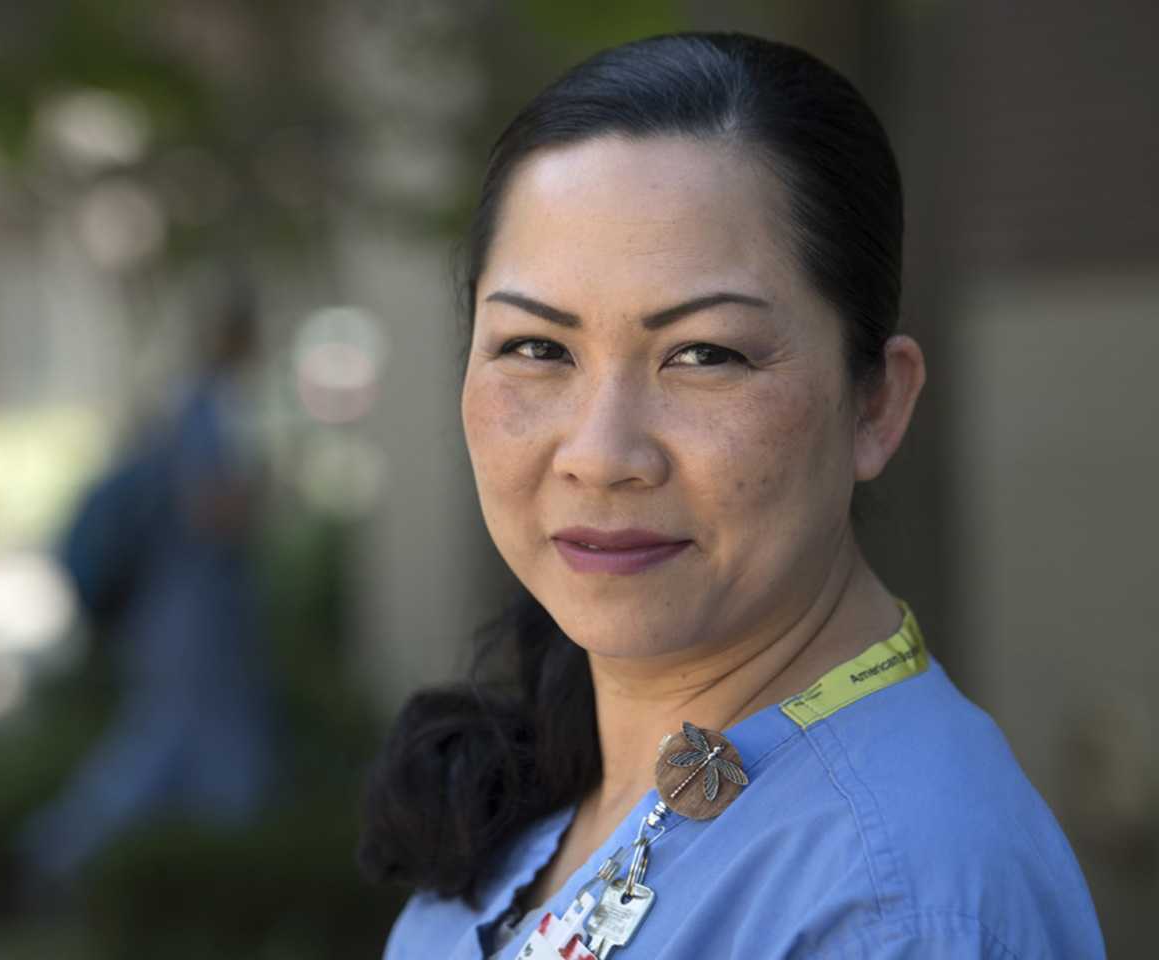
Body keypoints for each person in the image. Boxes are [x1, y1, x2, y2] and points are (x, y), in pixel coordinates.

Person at [360, 32, 1104, 959]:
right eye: (538, 348)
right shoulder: (556, 792)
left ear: (877, 403)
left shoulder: (899, 908)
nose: (600, 456)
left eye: (705, 354)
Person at [21, 288, 275, 888]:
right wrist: (259, 496)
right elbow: (207, 510)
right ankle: (56, 857)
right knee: (162, 753)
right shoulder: (205, 410)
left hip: (175, 615)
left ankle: (205, 887)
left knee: (195, 753)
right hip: (191, 617)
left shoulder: (181, 406)